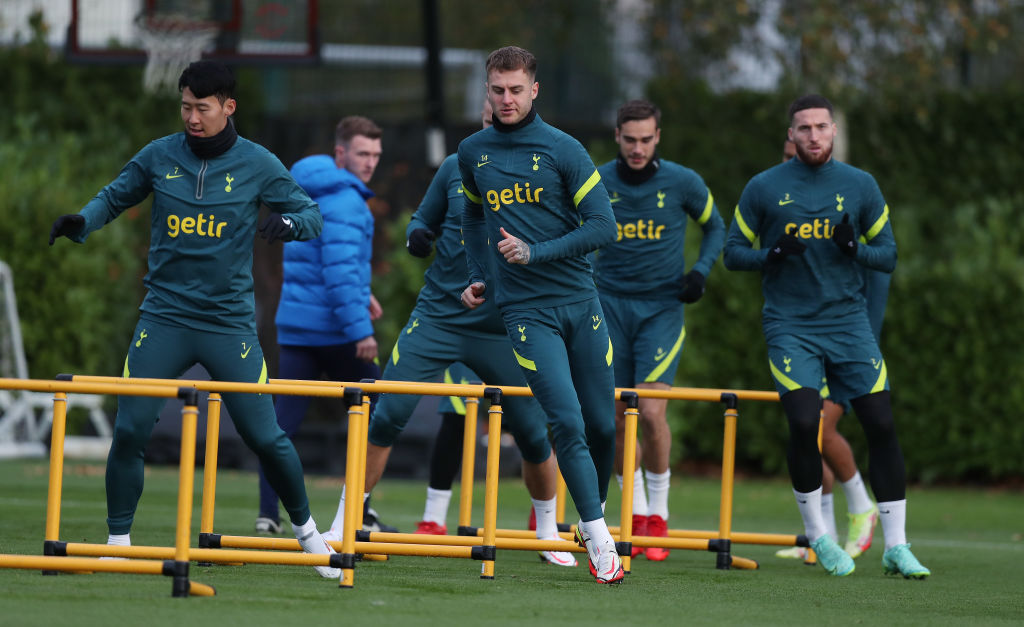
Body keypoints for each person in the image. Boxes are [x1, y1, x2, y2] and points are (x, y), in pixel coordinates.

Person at [48, 60, 339, 578]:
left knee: (267, 437)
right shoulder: (160, 155)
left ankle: (309, 536)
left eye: (201, 108)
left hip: (229, 325)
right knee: (130, 429)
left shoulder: (259, 163)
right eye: (185, 106)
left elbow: (313, 215)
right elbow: (115, 196)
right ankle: (119, 542)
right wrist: (82, 222)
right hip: (163, 318)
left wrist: (290, 222)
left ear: (228, 106)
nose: (191, 117)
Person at [322, 98, 576, 568]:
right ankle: (345, 520)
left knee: (532, 432)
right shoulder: (457, 166)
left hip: (506, 323)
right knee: (387, 411)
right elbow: (424, 219)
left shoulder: (542, 171)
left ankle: (547, 530)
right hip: (440, 315)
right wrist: (418, 235)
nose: (495, 123)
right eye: (487, 116)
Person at [723, 94, 929, 579]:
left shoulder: (860, 186)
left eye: (821, 127)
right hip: (790, 324)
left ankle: (897, 545)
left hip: (848, 323)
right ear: (791, 136)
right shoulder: (763, 188)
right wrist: (771, 254)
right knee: (803, 424)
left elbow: (889, 255)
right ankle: (819, 536)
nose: (813, 136)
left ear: (833, 131)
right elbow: (733, 254)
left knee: (880, 423)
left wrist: (854, 248)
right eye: (804, 129)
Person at [459, 46, 623, 583]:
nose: (506, 99)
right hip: (527, 312)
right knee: (567, 422)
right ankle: (600, 541)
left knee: (602, 425)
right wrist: (479, 273)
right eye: (497, 90)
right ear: (488, 90)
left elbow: (604, 227)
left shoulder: (564, 149)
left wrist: (536, 251)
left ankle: (588, 515)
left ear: (535, 90)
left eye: (515, 90)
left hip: (581, 302)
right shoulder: (472, 151)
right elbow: (472, 215)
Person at [593, 99, 725, 562]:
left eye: (646, 139)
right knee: (612, 417)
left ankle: (659, 514)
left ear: (658, 138)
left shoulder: (682, 182)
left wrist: (701, 272)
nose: (637, 148)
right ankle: (636, 512)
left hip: (661, 310)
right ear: (617, 137)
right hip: (607, 308)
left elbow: (716, 226)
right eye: (629, 139)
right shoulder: (598, 181)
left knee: (650, 411)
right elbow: (575, 233)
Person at [255, 115, 392, 536]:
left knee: (281, 428)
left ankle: (267, 515)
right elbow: (338, 275)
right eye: (362, 153)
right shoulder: (348, 200)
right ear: (340, 153)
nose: (370, 163)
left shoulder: (304, 191)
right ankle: (359, 509)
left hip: (297, 325)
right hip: (336, 332)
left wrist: (361, 294)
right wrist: (360, 331)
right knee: (384, 414)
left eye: (376, 155)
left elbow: (327, 264)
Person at [774, 138, 879, 562]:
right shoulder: (781, 203)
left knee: (819, 428)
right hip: (801, 338)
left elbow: (879, 271)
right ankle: (824, 539)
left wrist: (866, 337)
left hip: (847, 339)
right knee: (805, 435)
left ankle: (862, 505)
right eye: (785, 156)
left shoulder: (851, 200)